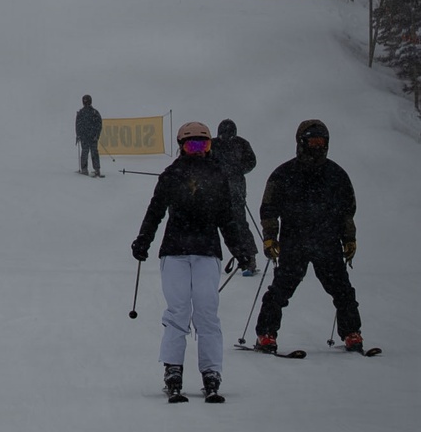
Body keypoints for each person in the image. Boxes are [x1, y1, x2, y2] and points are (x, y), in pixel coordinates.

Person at [131, 121, 255, 401]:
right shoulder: (171, 175)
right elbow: (155, 212)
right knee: (178, 311)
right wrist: (143, 241)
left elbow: (227, 217)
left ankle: (211, 371)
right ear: (182, 147)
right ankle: (173, 368)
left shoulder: (218, 175)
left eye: (204, 144)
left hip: (207, 252)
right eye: (192, 145)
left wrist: (240, 247)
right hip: (174, 251)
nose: (198, 150)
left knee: (206, 312)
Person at [253, 119, 363, 353]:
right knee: (281, 290)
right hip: (294, 243)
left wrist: (349, 238)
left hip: (327, 242)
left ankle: (352, 332)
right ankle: (266, 333)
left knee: (342, 290)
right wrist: (270, 237)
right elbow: (269, 208)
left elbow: (347, 212)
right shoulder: (283, 174)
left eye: (321, 142)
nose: (317, 146)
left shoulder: (336, 175)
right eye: (312, 142)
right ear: (301, 142)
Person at [210, 119, 259, 271]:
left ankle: (249, 257)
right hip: (214, 189)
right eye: (223, 134)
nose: (225, 137)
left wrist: (238, 170)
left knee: (239, 223)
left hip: (236, 189)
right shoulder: (212, 144)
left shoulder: (242, 144)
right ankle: (208, 259)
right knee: (210, 223)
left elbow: (251, 162)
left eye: (229, 134)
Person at [74, 94, 103, 177]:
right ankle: (97, 169)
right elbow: (99, 125)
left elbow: (78, 125)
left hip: (85, 137)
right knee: (94, 152)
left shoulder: (81, 113)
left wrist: (78, 135)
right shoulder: (94, 112)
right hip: (92, 137)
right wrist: (97, 135)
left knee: (85, 152)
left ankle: (84, 169)